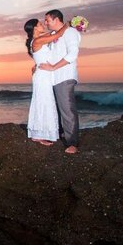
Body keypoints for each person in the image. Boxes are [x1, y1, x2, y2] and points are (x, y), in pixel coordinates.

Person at [40, 9, 81, 154]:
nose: (45, 23)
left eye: (47, 20)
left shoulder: (70, 32)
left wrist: (53, 67)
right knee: (54, 108)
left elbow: (73, 54)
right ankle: (57, 134)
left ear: (56, 19)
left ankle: (72, 143)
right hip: (52, 78)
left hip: (65, 76)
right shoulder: (53, 35)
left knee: (67, 109)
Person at [23, 19, 70, 146]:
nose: (43, 25)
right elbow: (57, 35)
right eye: (40, 24)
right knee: (43, 102)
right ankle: (39, 135)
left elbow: (53, 33)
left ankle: (39, 133)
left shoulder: (39, 38)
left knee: (44, 102)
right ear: (34, 28)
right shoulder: (38, 41)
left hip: (45, 74)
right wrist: (68, 24)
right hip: (43, 76)